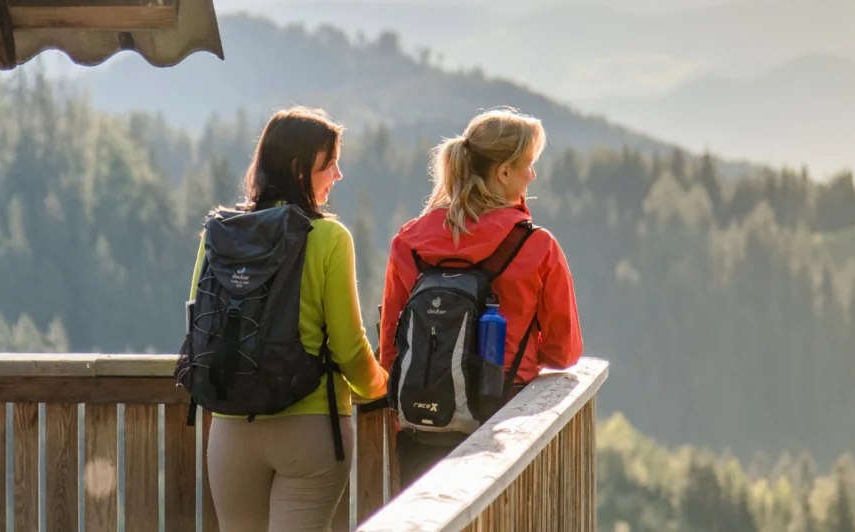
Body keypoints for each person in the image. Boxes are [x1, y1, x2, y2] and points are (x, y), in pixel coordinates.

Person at [186, 107, 389, 532]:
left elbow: (199, 326)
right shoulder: (330, 237)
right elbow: (349, 348)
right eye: (329, 163)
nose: (338, 174)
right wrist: (381, 386)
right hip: (311, 425)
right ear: (300, 169)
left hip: (231, 426)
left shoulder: (219, 235)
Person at [378, 107, 585, 489]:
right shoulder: (536, 245)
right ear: (503, 172)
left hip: (423, 429)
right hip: (502, 430)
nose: (532, 175)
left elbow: (391, 349)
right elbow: (564, 352)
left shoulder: (408, 241)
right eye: (527, 164)